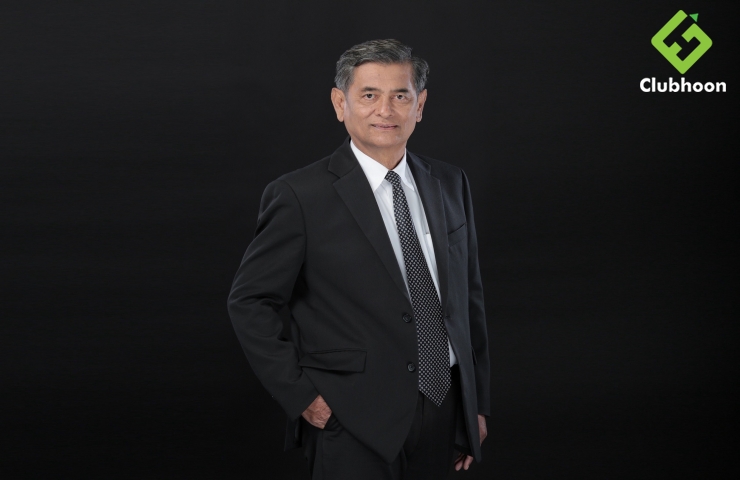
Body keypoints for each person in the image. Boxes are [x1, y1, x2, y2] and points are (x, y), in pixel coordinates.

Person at [227, 39, 490, 480]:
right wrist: (302, 397)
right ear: (340, 103)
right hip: (351, 417)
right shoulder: (299, 195)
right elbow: (250, 301)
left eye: (400, 95)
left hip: (444, 412)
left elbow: (469, 301)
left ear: (420, 105)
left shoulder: (449, 182)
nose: (385, 110)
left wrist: (475, 403)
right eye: (369, 95)